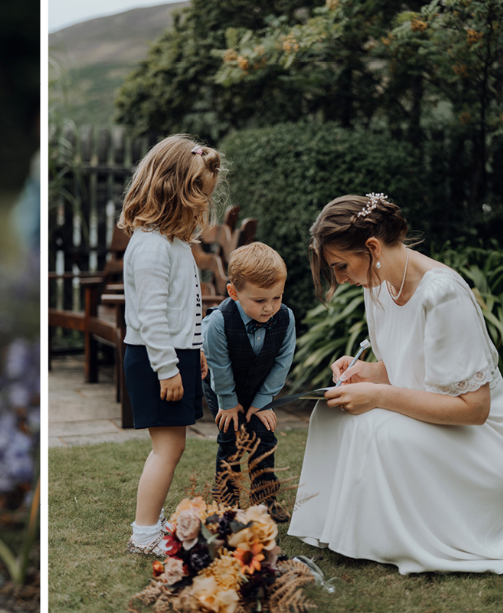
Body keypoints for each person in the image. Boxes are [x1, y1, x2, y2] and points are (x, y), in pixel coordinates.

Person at [288, 193, 503, 574]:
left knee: (376, 425)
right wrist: (370, 373)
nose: (340, 279)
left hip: (481, 440)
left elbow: (475, 409)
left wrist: (379, 395)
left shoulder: (442, 294)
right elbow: (412, 366)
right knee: (335, 415)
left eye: (341, 266)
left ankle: (387, 535)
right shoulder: (379, 286)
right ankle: (347, 528)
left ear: (372, 247)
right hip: (437, 419)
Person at [118, 134, 220, 556]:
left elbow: (184, 309)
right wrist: (167, 368)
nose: (202, 208)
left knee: (171, 445)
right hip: (155, 358)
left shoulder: (174, 244)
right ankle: (144, 534)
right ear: (172, 191)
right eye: (199, 198)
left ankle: (149, 526)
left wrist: (194, 349)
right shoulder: (151, 249)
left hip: (173, 355)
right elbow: (152, 317)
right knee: (168, 447)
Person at [202, 242, 295, 522]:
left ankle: (265, 500)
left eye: (276, 298)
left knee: (263, 437)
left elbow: (282, 361)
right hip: (223, 390)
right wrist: (229, 404)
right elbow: (219, 365)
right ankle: (227, 504)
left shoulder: (286, 317)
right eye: (259, 301)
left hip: (259, 390)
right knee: (230, 439)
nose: (270, 308)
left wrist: (263, 401)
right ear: (233, 292)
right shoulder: (218, 322)